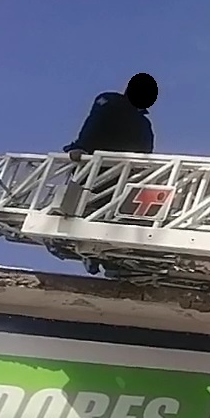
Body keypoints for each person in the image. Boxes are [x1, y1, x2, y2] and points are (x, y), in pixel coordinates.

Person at [60, 73, 158, 275]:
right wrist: (81, 148)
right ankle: (100, 254)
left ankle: (107, 256)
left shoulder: (140, 122)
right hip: (99, 174)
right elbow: (94, 125)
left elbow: (145, 154)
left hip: (113, 178)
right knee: (91, 212)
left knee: (101, 214)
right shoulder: (112, 104)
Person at [64, 73, 156, 160]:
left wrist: (80, 147)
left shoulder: (144, 124)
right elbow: (95, 123)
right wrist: (80, 147)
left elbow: (145, 153)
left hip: (112, 169)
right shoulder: (111, 102)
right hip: (102, 166)